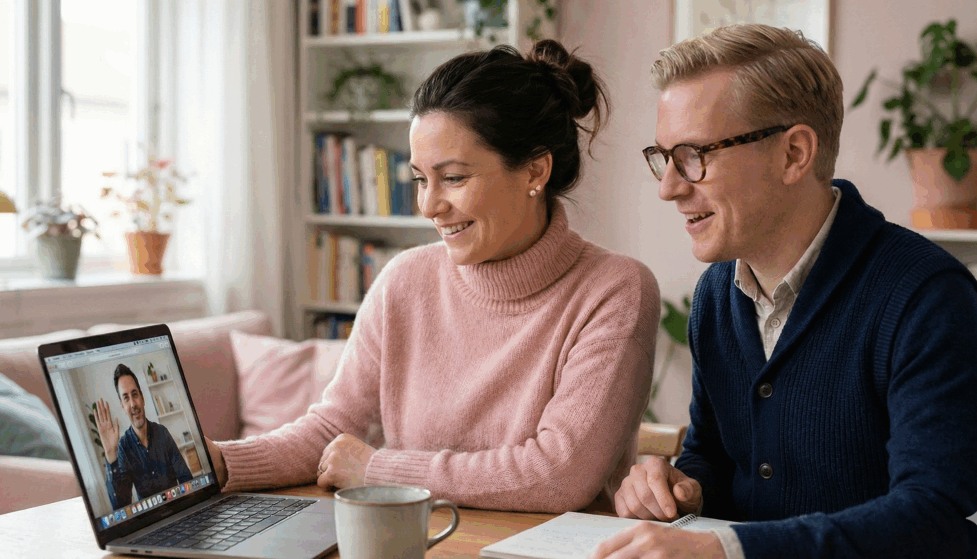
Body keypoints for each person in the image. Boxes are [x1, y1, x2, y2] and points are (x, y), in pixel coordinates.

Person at [594, 24, 977, 559]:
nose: (670, 186)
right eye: (663, 157)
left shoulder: (929, 299)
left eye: (693, 154)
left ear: (793, 154)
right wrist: (680, 484)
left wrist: (727, 550)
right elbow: (712, 457)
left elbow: (942, 519)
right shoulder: (718, 295)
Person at [205, 39, 661, 513]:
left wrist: (378, 470)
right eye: (422, 179)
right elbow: (334, 430)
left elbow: (558, 475)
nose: (428, 206)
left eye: (455, 178)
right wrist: (219, 463)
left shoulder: (615, 290)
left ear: (535, 170)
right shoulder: (405, 279)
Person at [97, 364, 193, 509]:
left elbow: (186, 480)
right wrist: (111, 454)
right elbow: (121, 506)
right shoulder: (123, 447)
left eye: (135, 394)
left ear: (142, 398)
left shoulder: (162, 433)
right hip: (151, 522)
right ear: (122, 406)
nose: (133, 404)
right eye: (126, 398)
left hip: (178, 510)